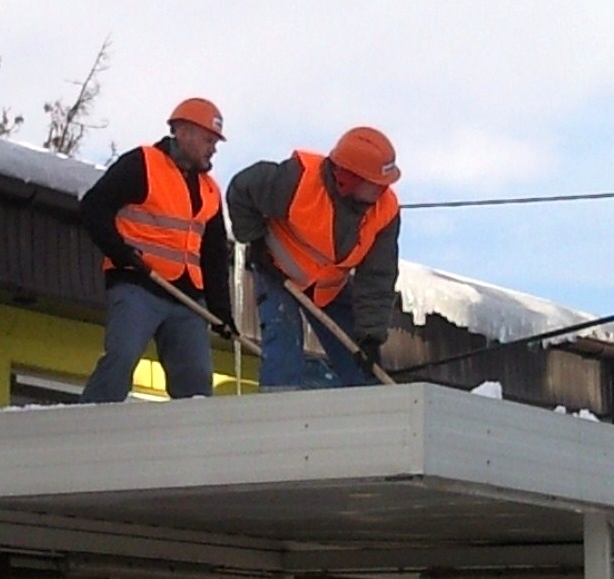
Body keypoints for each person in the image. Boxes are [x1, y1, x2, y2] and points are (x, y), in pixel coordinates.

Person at [80, 97, 236, 403]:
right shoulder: (143, 163)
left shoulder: (210, 190)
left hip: (188, 300)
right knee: (122, 358)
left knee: (195, 378)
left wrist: (221, 312)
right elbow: (94, 207)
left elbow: (215, 257)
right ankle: (91, 425)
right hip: (138, 285)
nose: (213, 148)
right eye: (208, 139)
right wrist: (120, 252)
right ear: (183, 132)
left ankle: (192, 444)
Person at [226, 126, 401, 392]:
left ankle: (368, 416)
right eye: (377, 184)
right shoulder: (298, 180)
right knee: (283, 341)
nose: (384, 190)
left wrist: (371, 335)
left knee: (359, 359)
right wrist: (256, 241)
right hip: (278, 274)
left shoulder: (385, 212)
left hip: (329, 290)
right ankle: (278, 415)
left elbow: (377, 278)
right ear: (349, 178)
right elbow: (242, 189)